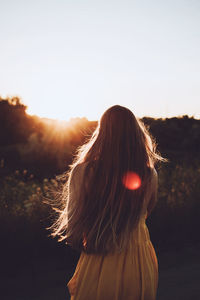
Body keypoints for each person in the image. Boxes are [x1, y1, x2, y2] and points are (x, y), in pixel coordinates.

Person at [50, 105, 164, 300]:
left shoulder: (83, 172)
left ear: (102, 133)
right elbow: (146, 213)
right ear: (136, 134)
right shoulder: (149, 174)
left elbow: (75, 229)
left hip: (99, 255)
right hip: (139, 260)